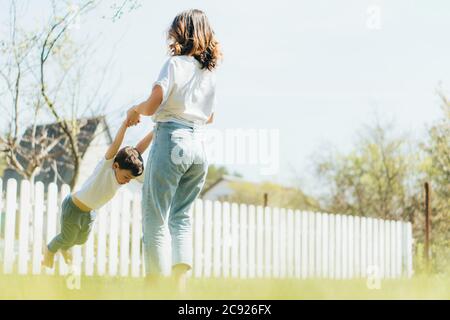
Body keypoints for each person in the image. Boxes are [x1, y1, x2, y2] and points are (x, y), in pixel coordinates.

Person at [126, 9, 222, 291]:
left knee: (155, 216)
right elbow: (210, 117)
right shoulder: (209, 74)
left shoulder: (174, 64)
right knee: (181, 217)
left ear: (181, 32)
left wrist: (135, 110)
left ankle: (155, 289)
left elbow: (154, 102)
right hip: (199, 147)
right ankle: (180, 291)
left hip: (171, 140)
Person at [42, 119, 154, 268]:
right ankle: (50, 250)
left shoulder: (124, 174)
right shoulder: (107, 167)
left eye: (130, 179)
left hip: (90, 212)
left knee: (81, 240)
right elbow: (115, 145)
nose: (128, 181)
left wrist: (155, 131)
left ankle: (65, 247)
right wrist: (125, 125)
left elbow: (138, 150)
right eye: (127, 177)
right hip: (74, 208)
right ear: (115, 166)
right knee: (67, 237)